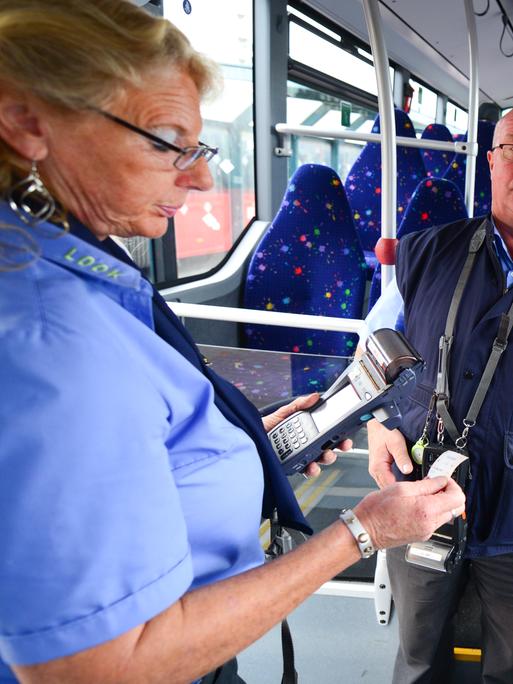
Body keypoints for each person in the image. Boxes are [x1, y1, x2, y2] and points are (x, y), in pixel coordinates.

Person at [0, 2, 465, 683]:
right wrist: (361, 532)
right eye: (164, 141)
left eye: (199, 147)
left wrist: (237, 447)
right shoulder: (49, 332)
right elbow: (99, 666)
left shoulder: (76, 267)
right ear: (27, 123)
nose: (200, 179)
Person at [365, 110, 513, 684]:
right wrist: (377, 422)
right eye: (512, 149)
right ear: (492, 159)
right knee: (420, 653)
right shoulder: (425, 252)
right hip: (422, 487)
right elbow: (371, 351)